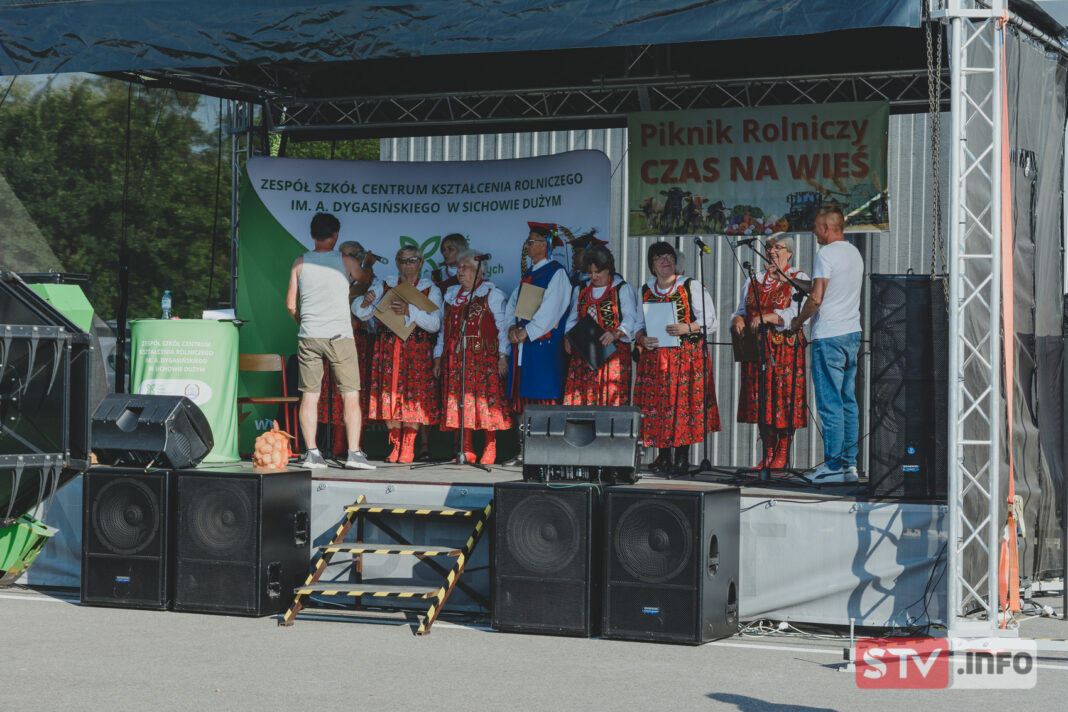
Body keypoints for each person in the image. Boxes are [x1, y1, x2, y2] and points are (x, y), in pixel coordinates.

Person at [284, 213, 375, 470]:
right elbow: (366, 279)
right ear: (335, 236)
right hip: (340, 336)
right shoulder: (345, 261)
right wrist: (364, 265)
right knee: (350, 396)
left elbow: (291, 305)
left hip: (309, 336)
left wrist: (303, 323)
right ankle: (354, 454)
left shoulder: (299, 263)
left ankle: (312, 453)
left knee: (310, 396)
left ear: (312, 235)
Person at [634, 241, 721, 476]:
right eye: (660, 258)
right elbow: (638, 325)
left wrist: (688, 328)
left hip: (685, 357)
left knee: (683, 406)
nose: (666, 261)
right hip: (656, 358)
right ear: (652, 265)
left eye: (669, 257)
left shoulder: (689, 286)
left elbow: (711, 321)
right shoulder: (646, 289)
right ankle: (663, 456)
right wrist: (642, 339)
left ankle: (682, 457)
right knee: (659, 406)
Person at [790, 207, 863, 483]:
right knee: (847, 401)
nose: (813, 232)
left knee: (829, 402)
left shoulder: (826, 254)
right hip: (851, 334)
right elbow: (824, 288)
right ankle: (848, 466)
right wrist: (788, 279)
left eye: (816, 227)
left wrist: (798, 322)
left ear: (827, 228)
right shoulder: (853, 253)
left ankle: (832, 466)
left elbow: (817, 297)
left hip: (829, 336)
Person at [354, 245, 443, 463]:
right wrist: (364, 302)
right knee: (389, 395)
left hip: (416, 350)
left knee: (413, 398)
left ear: (421, 263)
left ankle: (409, 446)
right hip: (387, 347)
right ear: (397, 263)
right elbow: (363, 313)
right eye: (403, 260)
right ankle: (395, 444)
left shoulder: (430, 288)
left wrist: (409, 311)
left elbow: (434, 323)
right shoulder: (386, 284)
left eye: (412, 260)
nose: (407, 265)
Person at [730, 235, 808, 470]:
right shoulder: (756, 278)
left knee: (782, 400)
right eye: (769, 247)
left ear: (789, 253)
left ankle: (783, 453)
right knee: (761, 400)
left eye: (778, 248)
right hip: (758, 348)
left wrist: (771, 316)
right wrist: (737, 320)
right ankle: (768, 452)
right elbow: (741, 308)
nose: (772, 251)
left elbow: (798, 313)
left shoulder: (798, 278)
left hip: (784, 348)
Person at [432, 249, 512, 464]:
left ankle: (490, 446)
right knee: (461, 403)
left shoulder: (492, 294)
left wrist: (503, 356)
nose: (459, 271)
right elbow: (443, 330)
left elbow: (503, 328)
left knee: (485, 403)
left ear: (478, 271)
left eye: (464, 267)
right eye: (458, 267)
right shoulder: (451, 295)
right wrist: (438, 356)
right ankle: (466, 448)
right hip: (457, 359)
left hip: (483, 359)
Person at [503, 222, 571, 465]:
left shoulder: (556, 273)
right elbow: (512, 306)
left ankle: (545, 452)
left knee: (542, 399)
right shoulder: (529, 275)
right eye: (527, 241)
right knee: (523, 400)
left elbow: (552, 312)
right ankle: (523, 451)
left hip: (543, 348)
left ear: (545, 245)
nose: (527, 246)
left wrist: (526, 332)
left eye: (531, 241)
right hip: (524, 347)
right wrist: (511, 326)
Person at [316, 240, 377, 457]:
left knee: (354, 394)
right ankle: (337, 443)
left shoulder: (371, 283)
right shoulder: (329, 281)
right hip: (332, 340)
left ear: (360, 259)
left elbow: (374, 322)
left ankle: (355, 444)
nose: (346, 260)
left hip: (359, 343)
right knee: (334, 393)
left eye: (351, 255)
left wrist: (360, 311)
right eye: (343, 255)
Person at [562, 244, 638, 406]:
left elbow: (631, 318)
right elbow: (573, 319)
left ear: (608, 269)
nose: (594, 276)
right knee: (583, 400)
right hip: (585, 354)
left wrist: (616, 333)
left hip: (613, 354)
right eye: (590, 273)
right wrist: (568, 337)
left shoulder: (622, 289)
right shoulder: (580, 290)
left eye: (598, 272)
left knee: (611, 400)